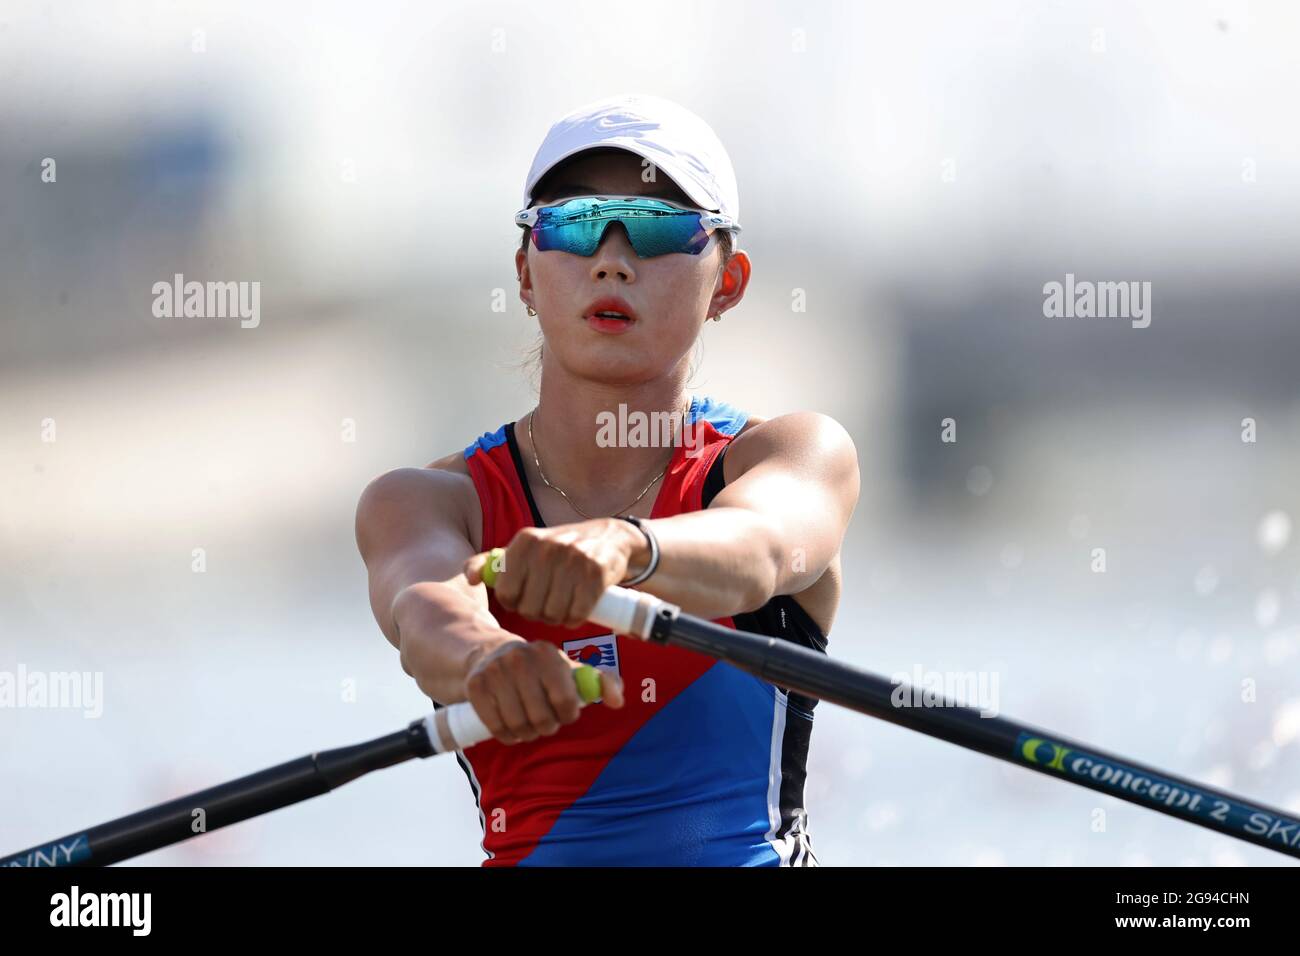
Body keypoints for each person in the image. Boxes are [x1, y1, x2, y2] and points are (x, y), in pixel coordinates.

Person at [355, 93, 859, 866]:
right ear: (526, 273)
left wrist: (629, 548)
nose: (612, 259)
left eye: (657, 227)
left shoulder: (791, 455)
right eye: (575, 223)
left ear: (728, 282)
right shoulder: (424, 502)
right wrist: (488, 661)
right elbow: (424, 615)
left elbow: (760, 551)